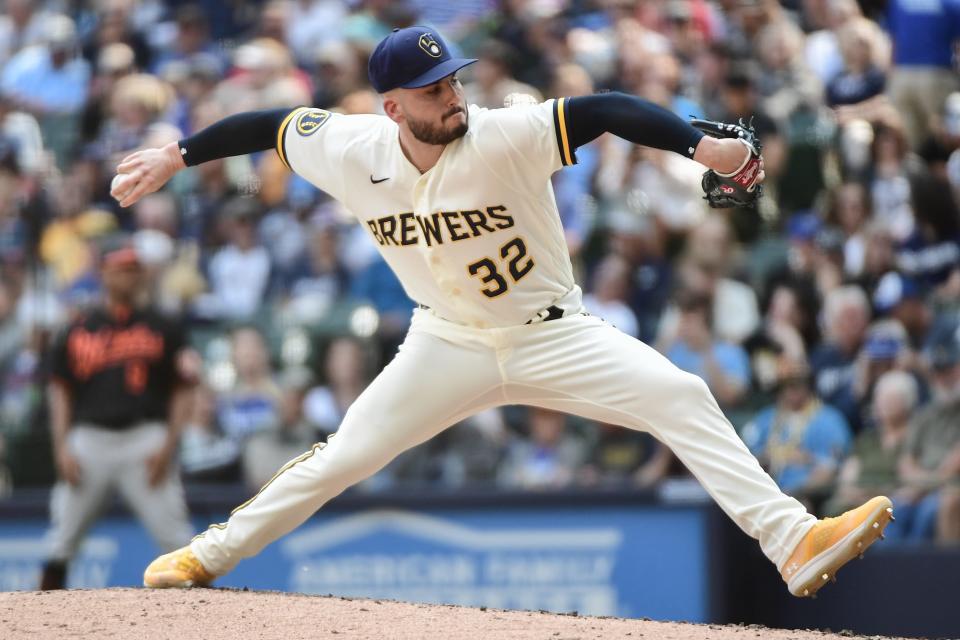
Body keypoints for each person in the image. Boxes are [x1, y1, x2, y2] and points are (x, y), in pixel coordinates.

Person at [117, 26, 892, 599]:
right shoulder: (350, 146)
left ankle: (792, 541)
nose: (452, 96)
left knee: (680, 396)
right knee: (345, 457)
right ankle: (206, 557)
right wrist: (175, 156)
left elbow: (609, 107)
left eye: (454, 80)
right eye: (433, 90)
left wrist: (700, 148)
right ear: (392, 106)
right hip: (444, 342)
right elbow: (269, 128)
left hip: (552, 335)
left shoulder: (501, 135)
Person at [39, 243, 198, 590]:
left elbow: (184, 390)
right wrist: (62, 448)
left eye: (133, 269)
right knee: (61, 541)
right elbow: (60, 391)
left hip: (146, 439)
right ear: (104, 273)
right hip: (89, 440)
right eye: (121, 268)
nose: (128, 275)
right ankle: (37, 622)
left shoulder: (164, 326)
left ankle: (209, 620)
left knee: (177, 542)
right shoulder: (78, 328)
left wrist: (168, 446)